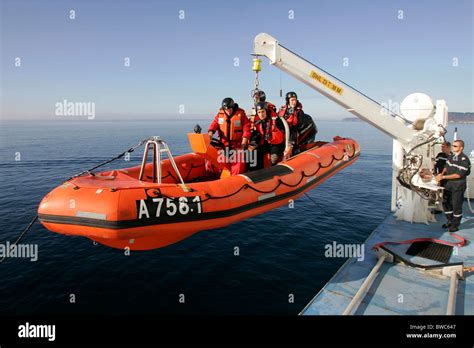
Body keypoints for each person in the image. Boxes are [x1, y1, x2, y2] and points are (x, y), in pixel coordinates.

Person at [436, 139, 471, 232]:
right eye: (453, 146)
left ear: (461, 148)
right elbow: (446, 167)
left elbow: (458, 175)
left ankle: (455, 225)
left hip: (458, 185)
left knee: (456, 205)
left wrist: (442, 177)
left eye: (455, 146)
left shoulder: (464, 160)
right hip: (449, 184)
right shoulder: (451, 156)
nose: (453, 147)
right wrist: (441, 174)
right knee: (446, 203)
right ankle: (450, 221)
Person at [208, 97, 251, 175]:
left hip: (237, 146)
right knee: (210, 161)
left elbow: (247, 128)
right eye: (227, 110)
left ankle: (235, 181)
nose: (228, 112)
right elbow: (214, 124)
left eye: (230, 110)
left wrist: (244, 142)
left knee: (238, 164)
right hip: (223, 145)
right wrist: (210, 133)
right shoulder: (220, 115)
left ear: (233, 107)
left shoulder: (241, 114)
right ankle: (212, 178)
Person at [249, 102, 286, 168]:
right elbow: (256, 134)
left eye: (263, 112)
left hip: (277, 145)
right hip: (265, 144)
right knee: (254, 154)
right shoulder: (257, 122)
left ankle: (273, 174)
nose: (261, 114)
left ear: (266, 111)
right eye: (259, 112)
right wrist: (253, 143)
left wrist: (288, 146)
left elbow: (285, 132)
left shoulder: (276, 120)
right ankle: (257, 172)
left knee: (273, 158)